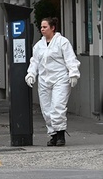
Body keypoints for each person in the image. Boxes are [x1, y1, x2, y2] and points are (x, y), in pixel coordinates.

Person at [25, 17, 80, 147]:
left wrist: (73, 73)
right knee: (46, 108)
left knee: (58, 106)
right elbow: (35, 62)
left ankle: (60, 134)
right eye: (41, 27)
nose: (42, 29)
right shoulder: (39, 46)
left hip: (60, 79)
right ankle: (53, 134)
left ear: (52, 28)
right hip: (44, 80)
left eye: (45, 27)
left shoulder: (62, 42)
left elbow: (70, 59)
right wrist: (31, 73)